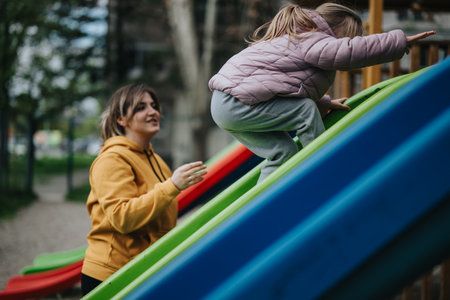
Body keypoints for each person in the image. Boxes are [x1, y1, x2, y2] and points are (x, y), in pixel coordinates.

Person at [209, 2, 436, 183]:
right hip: (236, 103)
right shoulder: (313, 38)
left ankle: (258, 203)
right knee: (304, 110)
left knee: (282, 151)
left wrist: (323, 102)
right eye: (349, 36)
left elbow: (283, 88)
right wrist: (395, 42)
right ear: (335, 29)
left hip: (226, 105)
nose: (349, 41)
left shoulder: (299, 40)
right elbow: (348, 52)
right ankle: (322, 166)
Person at [81, 83, 207, 295]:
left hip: (145, 271)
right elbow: (122, 217)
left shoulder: (157, 161)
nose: (153, 112)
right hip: (112, 276)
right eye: (141, 107)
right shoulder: (112, 159)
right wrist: (173, 186)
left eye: (154, 106)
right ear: (121, 119)